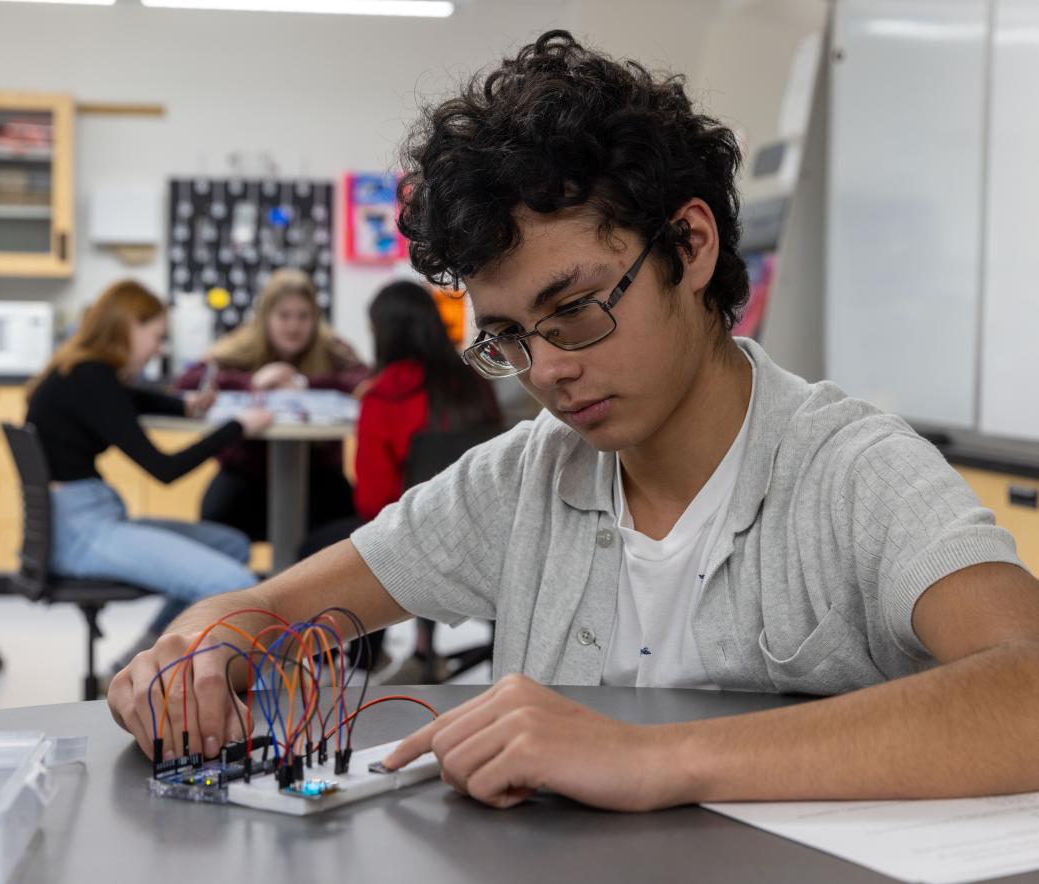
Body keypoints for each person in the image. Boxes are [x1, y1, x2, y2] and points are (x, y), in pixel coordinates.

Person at [109, 31, 1039, 810]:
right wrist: (207, 638)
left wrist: (653, 760)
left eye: (578, 307)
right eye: (508, 336)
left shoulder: (851, 471)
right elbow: (268, 610)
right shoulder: (524, 479)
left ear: (690, 245)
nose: (548, 369)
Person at [27, 279, 271, 662]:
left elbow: (132, 400)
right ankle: (157, 670)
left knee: (232, 545)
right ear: (128, 327)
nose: (159, 349)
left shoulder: (79, 372)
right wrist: (238, 426)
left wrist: (185, 406)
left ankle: (144, 654)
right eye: (156, 336)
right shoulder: (91, 379)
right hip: (82, 531)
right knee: (236, 584)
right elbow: (164, 469)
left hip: (84, 517)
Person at [300, 279, 502, 671]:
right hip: (482, 533)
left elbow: (374, 503)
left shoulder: (385, 395)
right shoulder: (474, 383)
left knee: (319, 542)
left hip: (415, 537)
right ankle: (423, 648)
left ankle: (361, 660)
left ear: (384, 333)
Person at [176, 269, 371, 542]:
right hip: (246, 474)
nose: (294, 326)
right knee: (211, 530)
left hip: (319, 477)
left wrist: (305, 384)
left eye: (303, 316)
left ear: (315, 318)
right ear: (265, 317)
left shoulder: (330, 346)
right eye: (284, 316)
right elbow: (188, 380)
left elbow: (367, 381)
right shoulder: (241, 344)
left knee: (352, 540)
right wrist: (250, 381)